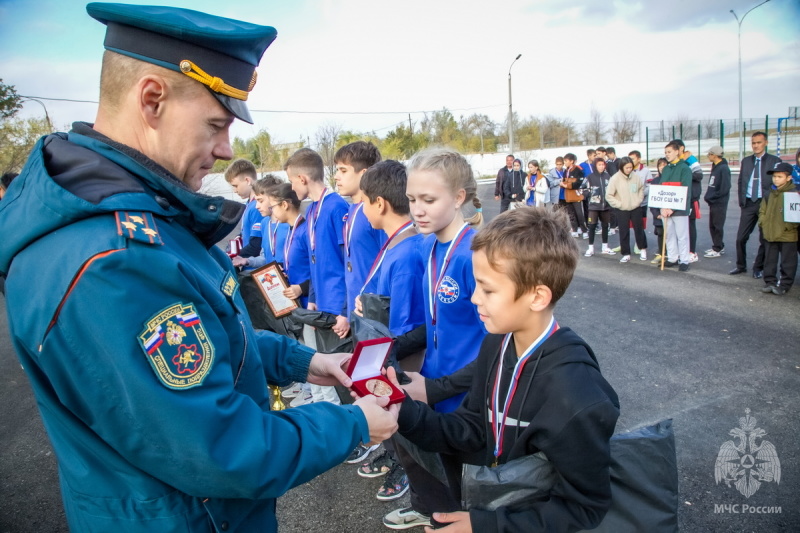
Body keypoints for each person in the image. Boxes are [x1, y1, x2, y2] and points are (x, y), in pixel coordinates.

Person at [0, 4, 398, 532]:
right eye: (216, 123)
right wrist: (351, 424)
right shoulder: (113, 259)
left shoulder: (144, 217)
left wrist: (304, 362)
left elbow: (207, 340)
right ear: (151, 100)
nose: (225, 148)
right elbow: (223, 450)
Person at [387, 207, 620, 533]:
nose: (473, 298)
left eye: (488, 289)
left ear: (537, 296)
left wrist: (485, 525)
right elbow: (471, 429)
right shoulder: (496, 344)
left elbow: (584, 508)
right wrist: (400, 408)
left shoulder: (577, 396)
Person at [383, 148, 487, 530]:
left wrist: (440, 388)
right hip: (436, 390)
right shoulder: (428, 247)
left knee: (467, 498)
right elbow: (439, 321)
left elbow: (501, 345)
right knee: (443, 492)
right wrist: (390, 349)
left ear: (459, 197)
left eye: (428, 200)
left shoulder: (474, 255)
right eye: (412, 200)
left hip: (468, 400)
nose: (417, 210)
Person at [356, 159, 425, 501]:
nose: (361, 208)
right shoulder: (396, 243)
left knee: (410, 430)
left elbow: (408, 326)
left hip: (401, 361)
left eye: (363, 200)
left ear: (379, 203)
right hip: (390, 355)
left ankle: (421, 496)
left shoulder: (406, 252)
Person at [286, 147, 351, 407]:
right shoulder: (312, 210)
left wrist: (345, 310)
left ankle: (362, 431)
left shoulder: (337, 207)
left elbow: (349, 262)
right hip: (321, 304)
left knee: (343, 372)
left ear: (302, 178)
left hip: (338, 307)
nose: (291, 187)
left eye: (291, 180)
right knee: (325, 367)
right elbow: (314, 261)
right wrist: (312, 298)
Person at [730, 132, 781, 277]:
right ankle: (741, 266)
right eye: (753, 143)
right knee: (741, 237)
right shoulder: (746, 161)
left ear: (765, 143)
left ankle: (758, 268)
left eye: (759, 142)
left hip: (765, 204)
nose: (756, 145)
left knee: (764, 238)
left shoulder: (774, 160)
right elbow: (741, 182)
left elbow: (777, 183)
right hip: (749, 203)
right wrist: (742, 201)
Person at [232, 174, 289, 269]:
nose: (256, 206)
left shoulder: (289, 225)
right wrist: (247, 261)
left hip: (293, 281)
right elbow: (265, 258)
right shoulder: (265, 223)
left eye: (261, 201)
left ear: (274, 198)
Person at [758, 163, 798, 295]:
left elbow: (796, 215)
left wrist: (787, 227)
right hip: (770, 232)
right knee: (770, 259)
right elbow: (762, 210)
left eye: (779, 176)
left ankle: (785, 285)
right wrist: (763, 223)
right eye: (774, 176)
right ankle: (770, 282)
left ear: (788, 178)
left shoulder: (794, 193)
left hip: (787, 234)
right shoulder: (769, 193)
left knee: (788, 262)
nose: (776, 179)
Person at [606, 156, 647, 262]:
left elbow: (641, 189)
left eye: (631, 167)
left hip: (636, 207)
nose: (629, 170)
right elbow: (609, 195)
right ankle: (626, 253)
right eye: (627, 168)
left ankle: (642, 249)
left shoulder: (636, 177)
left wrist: (638, 200)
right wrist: (619, 204)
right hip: (622, 209)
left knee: (639, 229)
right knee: (624, 231)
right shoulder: (615, 178)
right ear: (622, 167)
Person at [660, 141, 693, 271]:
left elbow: (686, 190)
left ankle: (684, 260)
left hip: (679, 209)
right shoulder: (666, 169)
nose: (667, 155)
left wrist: (672, 208)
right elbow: (662, 189)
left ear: (677, 151)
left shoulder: (685, 168)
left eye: (669, 152)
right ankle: (672, 257)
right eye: (665, 153)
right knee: (669, 235)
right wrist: (663, 207)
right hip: (665, 209)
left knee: (682, 235)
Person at [225, 158, 263, 265]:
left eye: (235, 186)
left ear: (247, 180)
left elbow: (256, 245)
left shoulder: (257, 207)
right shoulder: (249, 204)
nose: (235, 190)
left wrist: (233, 259)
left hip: (254, 268)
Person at [672, 140, 703, 263]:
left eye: (675, 149)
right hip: (678, 198)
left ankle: (692, 252)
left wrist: (684, 171)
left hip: (691, 198)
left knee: (690, 225)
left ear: (681, 149)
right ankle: (681, 251)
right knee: (679, 227)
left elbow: (699, 175)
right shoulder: (675, 162)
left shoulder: (691, 159)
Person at [703, 146, 731, 258]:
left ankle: (717, 248)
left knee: (717, 225)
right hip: (713, 202)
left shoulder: (723, 168)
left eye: (709, 154)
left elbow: (725, 187)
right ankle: (718, 245)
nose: (708, 156)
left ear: (714, 155)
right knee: (713, 225)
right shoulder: (715, 167)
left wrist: (713, 197)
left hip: (719, 202)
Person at [584, 158, 615, 256]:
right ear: (595, 166)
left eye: (603, 164)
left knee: (605, 226)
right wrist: (590, 194)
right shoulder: (589, 177)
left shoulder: (607, 176)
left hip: (606, 206)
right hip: (593, 206)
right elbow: (582, 189)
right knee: (592, 226)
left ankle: (605, 246)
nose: (601, 166)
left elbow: (612, 189)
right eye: (599, 165)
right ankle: (590, 248)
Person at [560, 153, 588, 238]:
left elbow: (578, 183)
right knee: (571, 214)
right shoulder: (566, 170)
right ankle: (575, 229)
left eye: (566, 161)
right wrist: (563, 183)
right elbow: (564, 180)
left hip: (576, 196)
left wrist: (567, 185)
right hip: (568, 195)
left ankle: (584, 230)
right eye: (564, 161)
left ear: (572, 161)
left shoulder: (578, 170)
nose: (564, 162)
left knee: (579, 213)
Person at [650, 158, 668, 264]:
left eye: (664, 165)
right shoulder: (655, 181)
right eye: (660, 165)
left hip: (670, 213)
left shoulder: (671, 179)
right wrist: (656, 214)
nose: (662, 167)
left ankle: (670, 254)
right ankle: (661, 254)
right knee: (660, 233)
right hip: (659, 214)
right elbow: (652, 200)